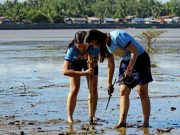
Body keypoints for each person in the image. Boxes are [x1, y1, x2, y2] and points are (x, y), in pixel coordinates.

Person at [84, 29, 153, 128]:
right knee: (123, 91)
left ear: (96, 40)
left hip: (140, 59)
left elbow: (134, 51)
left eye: (92, 44)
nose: (93, 47)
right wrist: (109, 83)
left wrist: (129, 70)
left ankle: (146, 123)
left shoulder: (117, 36)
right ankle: (122, 122)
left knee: (142, 91)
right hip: (126, 61)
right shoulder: (105, 45)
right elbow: (111, 64)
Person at [63, 31, 99, 124]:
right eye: (80, 47)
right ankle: (70, 117)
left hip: (90, 63)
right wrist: (84, 73)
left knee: (93, 89)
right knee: (75, 89)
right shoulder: (72, 49)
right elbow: (65, 71)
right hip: (75, 63)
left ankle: (92, 115)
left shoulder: (94, 47)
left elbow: (96, 59)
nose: (82, 49)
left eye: (84, 46)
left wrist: (93, 64)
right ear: (76, 44)